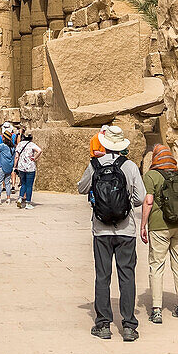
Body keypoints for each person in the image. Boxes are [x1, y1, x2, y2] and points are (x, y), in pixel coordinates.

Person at [77, 124, 146, 343]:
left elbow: (81, 188)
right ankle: (128, 326)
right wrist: (124, 207)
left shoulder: (95, 165)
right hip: (126, 230)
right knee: (127, 275)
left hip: (101, 230)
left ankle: (103, 324)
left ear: (105, 145)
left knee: (102, 276)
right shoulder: (131, 166)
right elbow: (140, 197)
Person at [141, 143, 178, 324]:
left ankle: (156, 309)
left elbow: (148, 201)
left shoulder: (151, 176)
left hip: (159, 226)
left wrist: (143, 225)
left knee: (156, 265)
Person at [14, 131, 41, 208]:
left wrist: (15, 166)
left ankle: (20, 198)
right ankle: (28, 203)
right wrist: (35, 158)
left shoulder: (20, 144)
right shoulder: (32, 144)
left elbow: (16, 156)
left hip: (21, 167)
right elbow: (40, 150)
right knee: (29, 186)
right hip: (30, 167)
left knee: (23, 184)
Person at [0, 126, 15, 203]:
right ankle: (8, 198)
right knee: (7, 183)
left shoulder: (2, 146)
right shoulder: (12, 147)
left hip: (2, 166)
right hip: (9, 166)